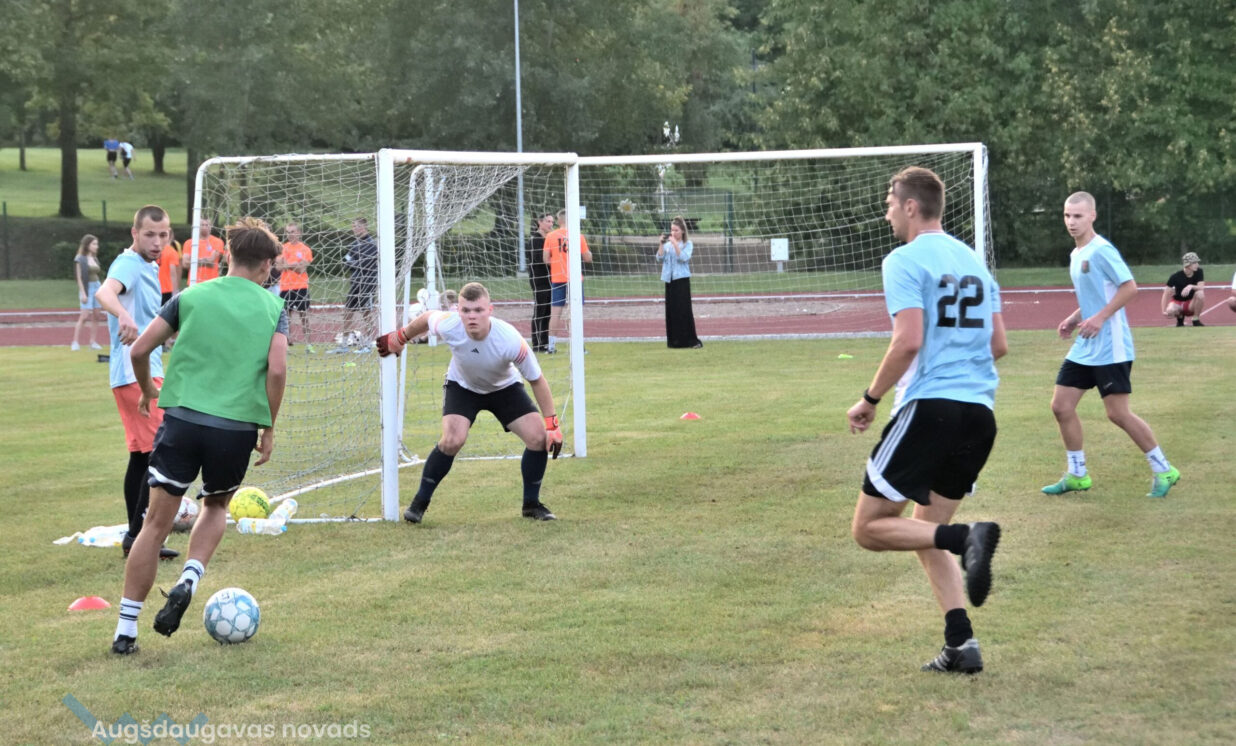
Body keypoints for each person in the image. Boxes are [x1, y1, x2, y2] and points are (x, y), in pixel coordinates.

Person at [847, 166, 1006, 675]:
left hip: (931, 409)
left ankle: (967, 538)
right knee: (925, 530)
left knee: (870, 529)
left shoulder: (904, 259)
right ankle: (961, 643)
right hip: (979, 415)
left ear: (911, 206)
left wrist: (870, 398)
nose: (887, 214)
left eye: (890, 204)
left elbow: (908, 340)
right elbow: (999, 344)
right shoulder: (974, 262)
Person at [109, 217, 288, 656]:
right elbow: (278, 369)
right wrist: (268, 426)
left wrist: (148, 389)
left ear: (228, 255)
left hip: (183, 421)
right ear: (266, 265)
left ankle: (125, 631)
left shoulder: (191, 296)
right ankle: (189, 579)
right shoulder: (273, 308)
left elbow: (139, 348)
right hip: (235, 428)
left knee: (154, 524)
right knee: (216, 505)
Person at [375, 282, 561, 524]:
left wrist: (552, 425)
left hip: (504, 388)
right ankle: (418, 504)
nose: (472, 316)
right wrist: (400, 337)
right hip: (462, 387)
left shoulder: (510, 339)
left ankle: (531, 505)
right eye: (466, 310)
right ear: (458, 311)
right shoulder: (450, 324)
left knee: (538, 438)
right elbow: (427, 318)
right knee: (452, 440)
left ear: (490, 310)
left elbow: (537, 380)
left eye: (478, 310)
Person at [1041, 191, 1180, 498]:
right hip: (1086, 345)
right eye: (1067, 215)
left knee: (1118, 413)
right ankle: (1077, 475)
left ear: (1092, 216)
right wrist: (1075, 318)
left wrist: (1100, 318)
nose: (1071, 222)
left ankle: (1164, 470)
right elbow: (1095, 296)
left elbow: (1129, 288)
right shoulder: (1076, 254)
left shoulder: (1102, 250)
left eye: (1078, 216)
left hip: (1111, 347)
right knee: (1061, 406)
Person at [94, 206, 179, 562]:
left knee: (142, 457)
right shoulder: (128, 263)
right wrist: (123, 315)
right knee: (160, 454)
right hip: (135, 373)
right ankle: (140, 537)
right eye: (149, 234)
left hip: (137, 370)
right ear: (134, 233)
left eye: (163, 235)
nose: (157, 242)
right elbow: (104, 293)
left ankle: (136, 537)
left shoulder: (149, 265)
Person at [543, 208, 592, 354]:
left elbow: (546, 258)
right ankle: (578, 347)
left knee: (555, 313)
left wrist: (558, 264)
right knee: (575, 312)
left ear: (559, 221)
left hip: (558, 277)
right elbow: (587, 258)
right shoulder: (578, 236)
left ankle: (551, 346)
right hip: (574, 279)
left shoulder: (551, 236)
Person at [657, 215, 702, 349]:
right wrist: (661, 244)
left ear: (682, 231)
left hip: (681, 280)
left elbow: (683, 258)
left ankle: (691, 340)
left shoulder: (688, 244)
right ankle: (675, 341)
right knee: (672, 311)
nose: (673, 233)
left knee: (684, 310)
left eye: (676, 230)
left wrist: (676, 244)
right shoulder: (667, 245)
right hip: (669, 280)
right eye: (672, 230)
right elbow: (659, 258)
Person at [334, 217, 378, 352]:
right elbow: (346, 261)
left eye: (357, 226)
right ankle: (344, 345)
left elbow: (365, 264)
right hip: (355, 283)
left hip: (367, 283)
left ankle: (368, 344)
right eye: (353, 226)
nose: (355, 229)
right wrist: (355, 263)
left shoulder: (371, 244)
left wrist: (354, 263)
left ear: (364, 227)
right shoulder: (354, 244)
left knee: (366, 313)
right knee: (348, 312)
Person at [279, 222, 315, 351]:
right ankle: (286, 343)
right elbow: (279, 267)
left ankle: (309, 344)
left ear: (299, 233)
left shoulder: (305, 249)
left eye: (293, 232)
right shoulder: (282, 248)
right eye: (288, 232)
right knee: (285, 317)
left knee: (304, 316)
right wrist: (295, 264)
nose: (290, 234)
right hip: (285, 287)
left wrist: (287, 264)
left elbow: (302, 269)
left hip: (301, 286)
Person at [526, 212, 554, 352]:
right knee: (540, 311)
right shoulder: (535, 239)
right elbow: (538, 259)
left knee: (548, 311)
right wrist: (554, 261)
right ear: (540, 222)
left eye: (552, 222)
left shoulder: (550, 238)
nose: (551, 224)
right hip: (539, 279)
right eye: (548, 221)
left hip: (550, 279)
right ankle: (537, 344)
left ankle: (545, 342)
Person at [71, 234, 104, 351]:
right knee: (84, 316)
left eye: (97, 244)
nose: (96, 246)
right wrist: (83, 293)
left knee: (97, 315)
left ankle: (92, 342)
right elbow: (79, 277)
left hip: (97, 286)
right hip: (87, 287)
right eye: (94, 244)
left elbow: (97, 274)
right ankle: (75, 342)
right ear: (87, 245)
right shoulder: (80, 258)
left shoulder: (95, 258)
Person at [1161, 252, 1205, 327]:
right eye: (1194, 263)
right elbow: (1166, 293)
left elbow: (1201, 287)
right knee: (1170, 311)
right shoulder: (1175, 276)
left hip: (1191, 304)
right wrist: (1163, 310)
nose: (1197, 265)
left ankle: (1195, 319)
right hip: (1178, 302)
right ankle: (1180, 318)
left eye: (1197, 262)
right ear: (1188, 264)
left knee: (1200, 293)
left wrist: (1191, 286)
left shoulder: (1199, 272)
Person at [182, 217, 227, 284]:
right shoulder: (189, 243)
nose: (204, 227)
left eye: (207, 225)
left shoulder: (218, 242)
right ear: (197, 226)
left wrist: (194, 261)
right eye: (202, 225)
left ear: (211, 226)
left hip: (212, 282)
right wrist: (205, 261)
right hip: (194, 281)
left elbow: (211, 261)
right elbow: (185, 264)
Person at [158, 231, 181, 306]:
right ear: (171, 237)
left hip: (154, 287)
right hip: (167, 289)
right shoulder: (172, 252)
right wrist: (175, 291)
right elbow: (173, 273)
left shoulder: (155, 251)